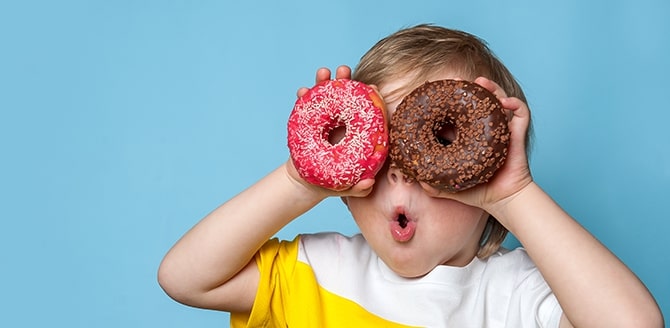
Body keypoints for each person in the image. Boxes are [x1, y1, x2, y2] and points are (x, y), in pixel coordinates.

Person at [158, 24, 663, 327]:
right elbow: (185, 278)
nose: (399, 170)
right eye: (379, 152)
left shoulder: (515, 296)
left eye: (439, 145)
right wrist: (301, 179)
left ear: (485, 164)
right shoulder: (318, 272)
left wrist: (514, 195)